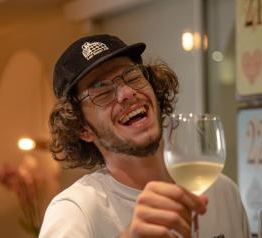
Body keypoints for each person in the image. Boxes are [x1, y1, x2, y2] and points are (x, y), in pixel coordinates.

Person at [39, 34, 251, 238]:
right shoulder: (75, 211)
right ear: (82, 128)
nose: (127, 93)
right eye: (102, 91)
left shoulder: (222, 192)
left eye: (132, 76)